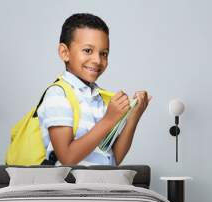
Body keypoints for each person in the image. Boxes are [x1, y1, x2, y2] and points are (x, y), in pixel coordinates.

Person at [37, 13, 152, 166]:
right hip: (70, 188)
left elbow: (112, 158)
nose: (97, 60)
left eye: (104, 53)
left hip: (99, 186)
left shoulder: (99, 98)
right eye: (88, 51)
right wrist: (109, 119)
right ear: (65, 52)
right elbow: (67, 158)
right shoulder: (58, 94)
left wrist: (133, 116)